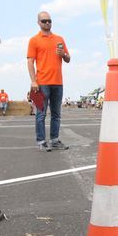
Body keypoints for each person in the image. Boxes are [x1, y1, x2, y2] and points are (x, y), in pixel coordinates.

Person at [27, 11, 71, 151]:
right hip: (42, 83)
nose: (47, 23)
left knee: (56, 114)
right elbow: (30, 62)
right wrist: (33, 81)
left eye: (49, 21)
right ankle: (41, 141)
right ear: (39, 22)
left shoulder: (59, 39)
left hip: (58, 82)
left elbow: (68, 59)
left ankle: (55, 140)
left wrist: (63, 54)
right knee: (41, 114)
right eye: (44, 21)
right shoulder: (34, 40)